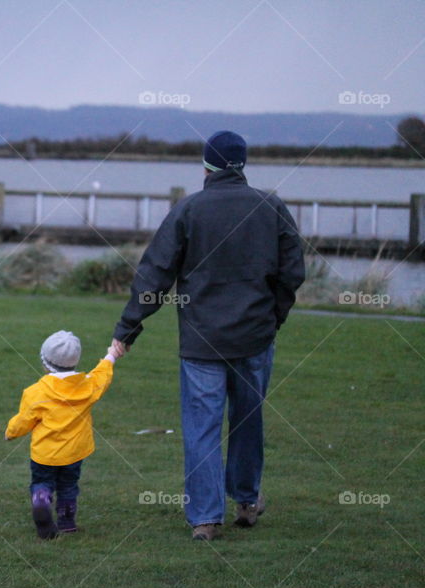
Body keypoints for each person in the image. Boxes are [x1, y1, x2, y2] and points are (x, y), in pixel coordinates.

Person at [111, 130, 305, 541]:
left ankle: (204, 518)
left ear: (206, 165)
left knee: (201, 427)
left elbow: (154, 275)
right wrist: (275, 317)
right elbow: (293, 271)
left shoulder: (189, 210)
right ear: (243, 164)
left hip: (201, 341)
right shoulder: (271, 206)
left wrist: (129, 327)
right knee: (247, 421)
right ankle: (247, 501)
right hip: (254, 336)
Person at [5, 330, 122, 539]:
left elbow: (24, 420)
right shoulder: (88, 385)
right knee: (68, 487)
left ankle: (41, 499)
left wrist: (11, 432)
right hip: (74, 453)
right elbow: (101, 375)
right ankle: (67, 523)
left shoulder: (35, 392)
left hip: (45, 453)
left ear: (45, 362)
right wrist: (111, 354)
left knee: (42, 481)